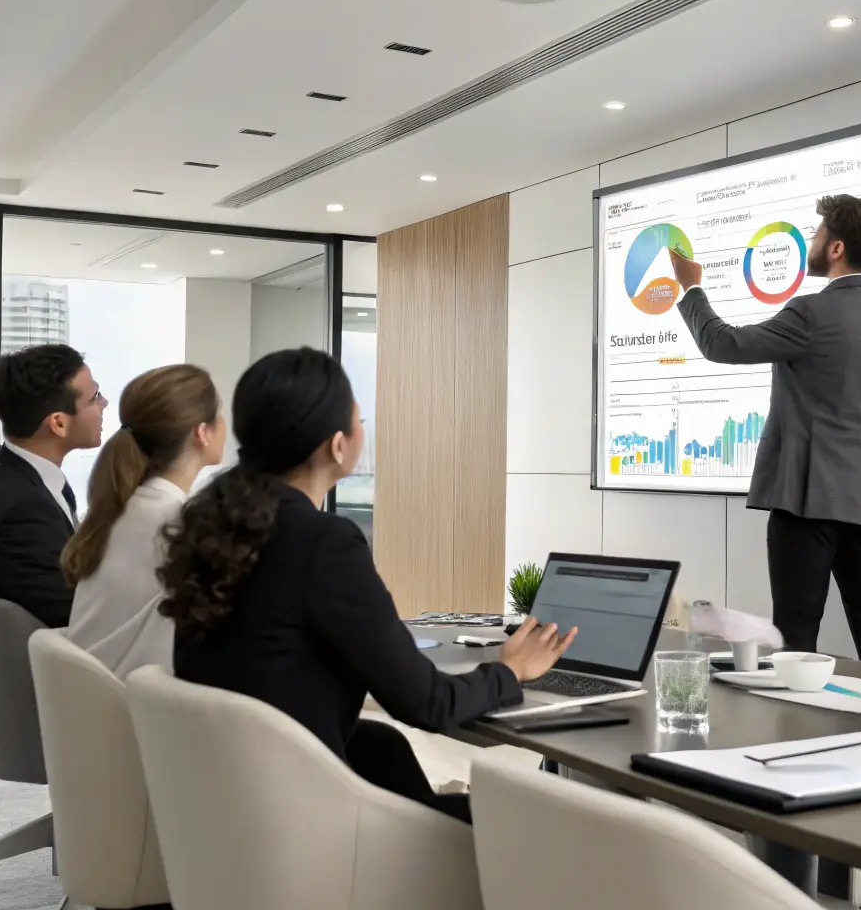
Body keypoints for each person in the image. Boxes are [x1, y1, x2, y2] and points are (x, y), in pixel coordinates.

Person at [158, 347, 574, 824]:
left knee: (383, 745)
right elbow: (426, 704)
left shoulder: (213, 526)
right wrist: (511, 670)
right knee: (543, 826)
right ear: (338, 445)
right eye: (359, 422)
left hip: (240, 806)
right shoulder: (321, 542)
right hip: (309, 822)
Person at [668, 194, 861, 667]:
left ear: (838, 247)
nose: (812, 242)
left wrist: (691, 290)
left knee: (796, 635)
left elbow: (722, 344)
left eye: (818, 233)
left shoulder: (810, 313)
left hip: (807, 502)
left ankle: (794, 739)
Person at [62, 365, 226, 679]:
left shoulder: (117, 512)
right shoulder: (183, 526)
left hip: (90, 710)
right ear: (202, 432)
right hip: (138, 716)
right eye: (218, 413)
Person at [0, 344, 106, 627]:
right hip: (55, 663)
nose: (104, 403)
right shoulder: (22, 511)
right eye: (94, 397)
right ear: (58, 423)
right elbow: (81, 618)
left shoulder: (5, 475)